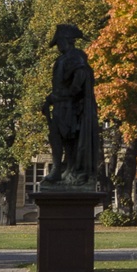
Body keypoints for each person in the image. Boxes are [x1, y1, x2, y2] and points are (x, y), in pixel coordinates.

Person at [40, 23, 101, 188]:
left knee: (62, 136)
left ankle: (61, 169)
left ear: (66, 40)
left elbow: (81, 74)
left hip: (69, 106)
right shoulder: (65, 58)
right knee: (61, 137)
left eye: (59, 41)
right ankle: (66, 168)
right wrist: (51, 99)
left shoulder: (75, 56)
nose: (58, 45)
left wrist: (70, 92)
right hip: (61, 103)